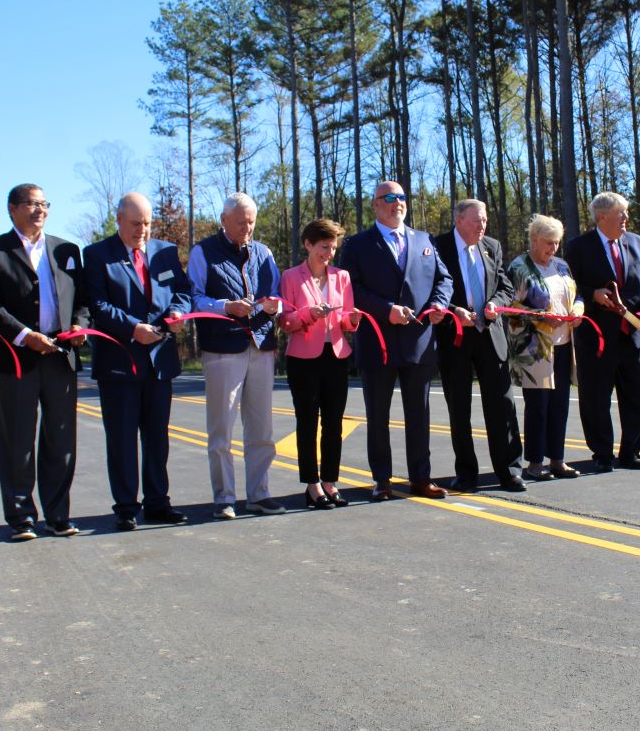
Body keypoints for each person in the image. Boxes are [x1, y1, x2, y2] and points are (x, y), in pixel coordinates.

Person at [0, 184, 89, 540]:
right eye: (31, 204)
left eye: (44, 204)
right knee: (18, 441)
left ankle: (58, 515)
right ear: (12, 209)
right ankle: (22, 517)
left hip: (60, 356)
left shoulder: (67, 250)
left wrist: (80, 327)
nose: (39, 210)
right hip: (17, 358)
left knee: (60, 440)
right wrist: (26, 336)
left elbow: (82, 300)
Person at [338, 180, 453, 501]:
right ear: (375, 204)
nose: (396, 202)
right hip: (378, 341)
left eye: (401, 197)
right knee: (378, 416)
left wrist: (438, 305)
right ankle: (382, 480)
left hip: (419, 339)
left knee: (420, 414)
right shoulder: (358, 244)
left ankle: (421, 478)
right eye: (388, 198)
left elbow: (444, 279)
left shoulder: (424, 241)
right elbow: (351, 289)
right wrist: (385, 310)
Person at [83, 192, 191, 530]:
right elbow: (98, 306)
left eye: (146, 223)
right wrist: (133, 329)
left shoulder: (165, 252)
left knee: (157, 437)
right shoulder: (98, 255)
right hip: (120, 362)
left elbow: (183, 292)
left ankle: (158, 501)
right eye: (135, 224)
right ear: (119, 220)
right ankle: (126, 506)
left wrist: (178, 311)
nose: (141, 231)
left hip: (160, 359)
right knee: (123, 439)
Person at [188, 192, 285, 519]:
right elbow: (194, 298)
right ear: (224, 220)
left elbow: (279, 296)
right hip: (223, 348)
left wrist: (275, 306)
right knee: (222, 431)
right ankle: (224, 498)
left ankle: (259, 494)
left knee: (262, 430)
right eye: (241, 222)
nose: (247, 227)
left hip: (261, 346)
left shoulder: (264, 252)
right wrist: (225, 306)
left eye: (252, 221)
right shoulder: (204, 252)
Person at [433, 199, 526, 493]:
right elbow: (431, 288)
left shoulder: (491, 246)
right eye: (476, 221)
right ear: (459, 220)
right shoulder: (438, 247)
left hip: (491, 334)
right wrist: (454, 310)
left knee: (502, 406)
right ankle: (466, 473)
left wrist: (495, 305)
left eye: (484, 220)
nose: (482, 226)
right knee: (459, 408)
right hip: (456, 336)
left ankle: (510, 472)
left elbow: (505, 286)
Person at [566, 191, 640, 471]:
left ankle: (630, 452)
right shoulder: (579, 247)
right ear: (602, 217)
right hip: (597, 338)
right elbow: (567, 285)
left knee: (636, 395)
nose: (626, 219)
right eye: (621, 214)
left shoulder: (637, 242)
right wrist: (591, 293)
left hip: (633, 335)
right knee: (596, 398)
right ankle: (602, 454)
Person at [278, 218, 359, 509]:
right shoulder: (290, 277)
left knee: (334, 423)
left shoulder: (342, 277)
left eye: (333, 248)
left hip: (336, 356)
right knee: (308, 421)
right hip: (303, 359)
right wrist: (308, 314)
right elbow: (284, 321)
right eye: (324, 247)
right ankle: (312, 486)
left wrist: (352, 320)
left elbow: (346, 321)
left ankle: (330, 482)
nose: (329, 254)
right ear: (308, 244)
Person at [506, 215, 584, 480]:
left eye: (557, 243)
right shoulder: (519, 267)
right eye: (549, 243)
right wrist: (538, 315)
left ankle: (557, 460)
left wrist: (578, 309)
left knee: (560, 404)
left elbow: (577, 294)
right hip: (535, 347)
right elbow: (510, 306)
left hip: (563, 343)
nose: (553, 249)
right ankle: (535, 463)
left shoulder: (561, 266)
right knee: (538, 405)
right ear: (535, 239)